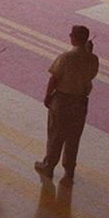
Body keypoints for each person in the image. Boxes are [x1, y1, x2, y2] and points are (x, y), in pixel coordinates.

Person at [35, 25, 100, 185]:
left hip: (62, 101)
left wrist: (47, 96)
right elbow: (90, 74)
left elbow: (54, 78)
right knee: (73, 137)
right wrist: (88, 52)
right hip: (80, 102)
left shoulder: (65, 57)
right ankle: (69, 169)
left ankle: (48, 166)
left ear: (74, 38)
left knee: (56, 135)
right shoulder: (93, 58)